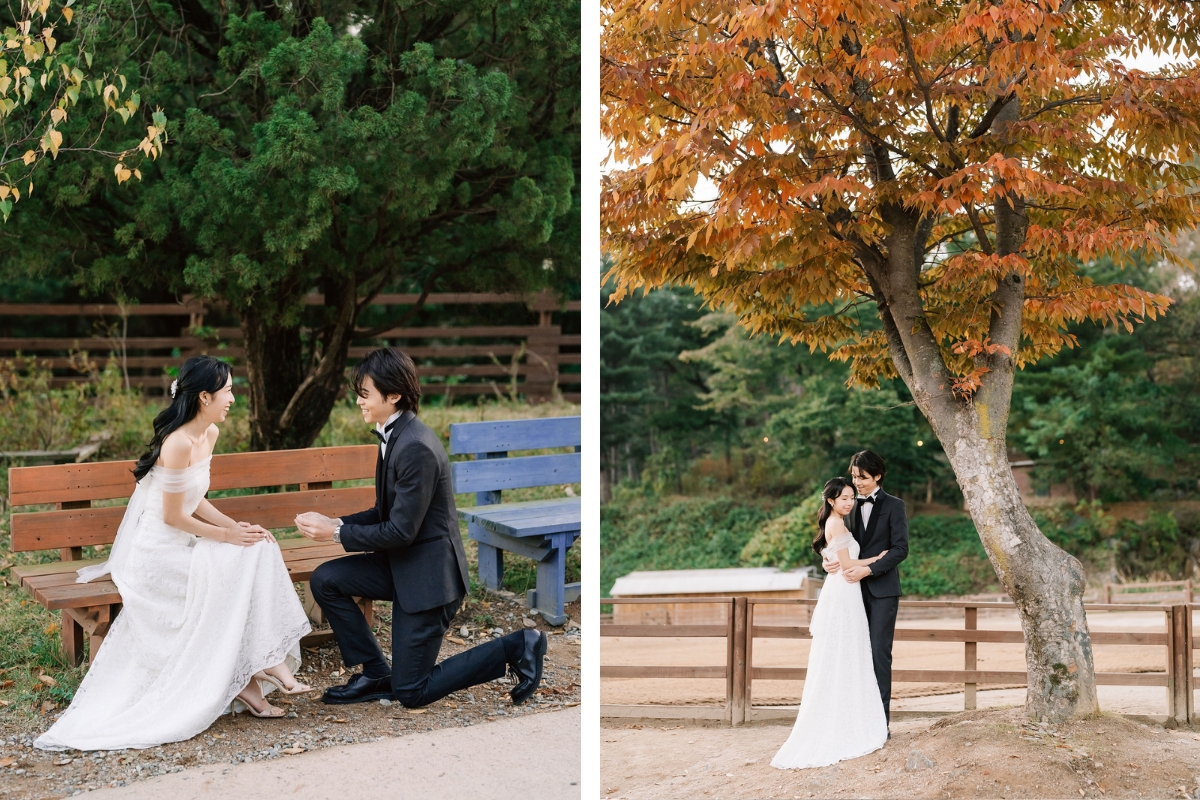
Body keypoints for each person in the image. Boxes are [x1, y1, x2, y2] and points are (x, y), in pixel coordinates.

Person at [36, 356, 314, 752]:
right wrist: (224, 535)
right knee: (235, 566)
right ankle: (260, 668)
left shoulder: (211, 433)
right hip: (154, 556)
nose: (233, 398)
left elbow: (196, 499)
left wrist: (236, 528)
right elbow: (171, 515)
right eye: (228, 390)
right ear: (205, 396)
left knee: (261, 546)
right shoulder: (178, 442)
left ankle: (260, 667)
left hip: (185, 543)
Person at [294, 347, 546, 709]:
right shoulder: (393, 436)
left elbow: (400, 531)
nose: (360, 402)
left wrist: (333, 535)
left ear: (393, 395)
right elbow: (385, 511)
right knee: (326, 579)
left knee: (412, 692)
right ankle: (375, 673)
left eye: (365, 394)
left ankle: (518, 645)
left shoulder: (415, 447)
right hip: (402, 565)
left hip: (429, 579)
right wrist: (338, 522)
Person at [772, 477, 890, 769]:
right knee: (847, 649)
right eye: (844, 498)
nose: (849, 502)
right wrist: (879, 557)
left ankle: (848, 715)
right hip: (845, 590)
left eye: (852, 497)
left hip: (845, 589)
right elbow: (849, 565)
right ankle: (846, 721)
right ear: (831, 501)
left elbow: (836, 557)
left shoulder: (836, 523)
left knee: (848, 650)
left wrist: (829, 559)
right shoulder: (836, 524)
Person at [822, 450, 909, 730]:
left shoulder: (895, 506)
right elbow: (836, 541)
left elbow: (900, 549)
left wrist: (869, 569)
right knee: (854, 654)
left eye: (863, 477)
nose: (857, 482)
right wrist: (827, 559)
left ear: (878, 476)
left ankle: (879, 726)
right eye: (854, 476)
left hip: (883, 591)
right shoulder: (849, 506)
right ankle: (855, 722)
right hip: (851, 593)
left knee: (878, 655)